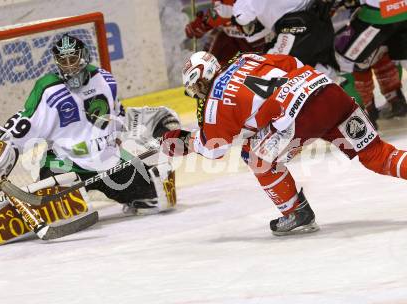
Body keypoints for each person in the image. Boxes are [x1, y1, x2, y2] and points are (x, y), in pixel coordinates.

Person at [0, 34, 179, 250]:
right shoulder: (49, 89)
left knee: (161, 196)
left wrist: (158, 124)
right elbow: (21, 125)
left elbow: (119, 116)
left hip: (107, 159)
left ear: (84, 57)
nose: (69, 66)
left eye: (73, 59)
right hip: (64, 164)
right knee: (57, 212)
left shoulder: (105, 79)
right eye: (63, 61)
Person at [162, 51, 407, 235]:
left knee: (253, 155)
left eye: (195, 87)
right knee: (377, 155)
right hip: (329, 92)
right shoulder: (246, 58)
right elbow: (294, 64)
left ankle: (295, 212)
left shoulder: (216, 100)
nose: (197, 93)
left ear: (202, 79)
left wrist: (179, 139)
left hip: (301, 116)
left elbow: (212, 148)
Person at [334, 0, 407, 127]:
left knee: (343, 57)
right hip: (402, 9)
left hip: (379, 12)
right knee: (387, 45)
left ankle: (361, 113)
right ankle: (394, 98)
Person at [231, 0, 339, 79]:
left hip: (296, 28)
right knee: (323, 71)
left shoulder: (243, 3)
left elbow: (241, 17)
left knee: (267, 71)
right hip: (320, 17)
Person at [185, 0, 268, 64]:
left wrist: (205, 23)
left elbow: (226, 11)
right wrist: (203, 23)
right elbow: (220, 9)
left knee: (263, 69)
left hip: (256, 35)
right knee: (208, 65)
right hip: (229, 33)